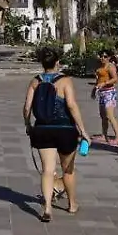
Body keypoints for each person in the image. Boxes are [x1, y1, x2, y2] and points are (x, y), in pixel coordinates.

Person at [23, 47, 88, 222]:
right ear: (57, 63)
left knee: (47, 170)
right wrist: (83, 130)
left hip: (43, 129)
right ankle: (72, 205)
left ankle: (48, 209)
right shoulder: (65, 81)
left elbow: (27, 107)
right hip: (65, 129)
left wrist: (28, 125)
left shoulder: (35, 81)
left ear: (42, 63)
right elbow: (72, 106)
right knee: (68, 169)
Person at [90, 50, 118, 145]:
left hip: (109, 92)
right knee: (103, 115)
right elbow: (98, 80)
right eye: (101, 56)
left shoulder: (110, 66)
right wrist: (94, 89)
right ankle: (104, 135)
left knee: (110, 115)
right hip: (102, 92)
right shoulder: (99, 66)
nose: (102, 58)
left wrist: (105, 83)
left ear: (108, 57)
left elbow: (115, 78)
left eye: (104, 56)